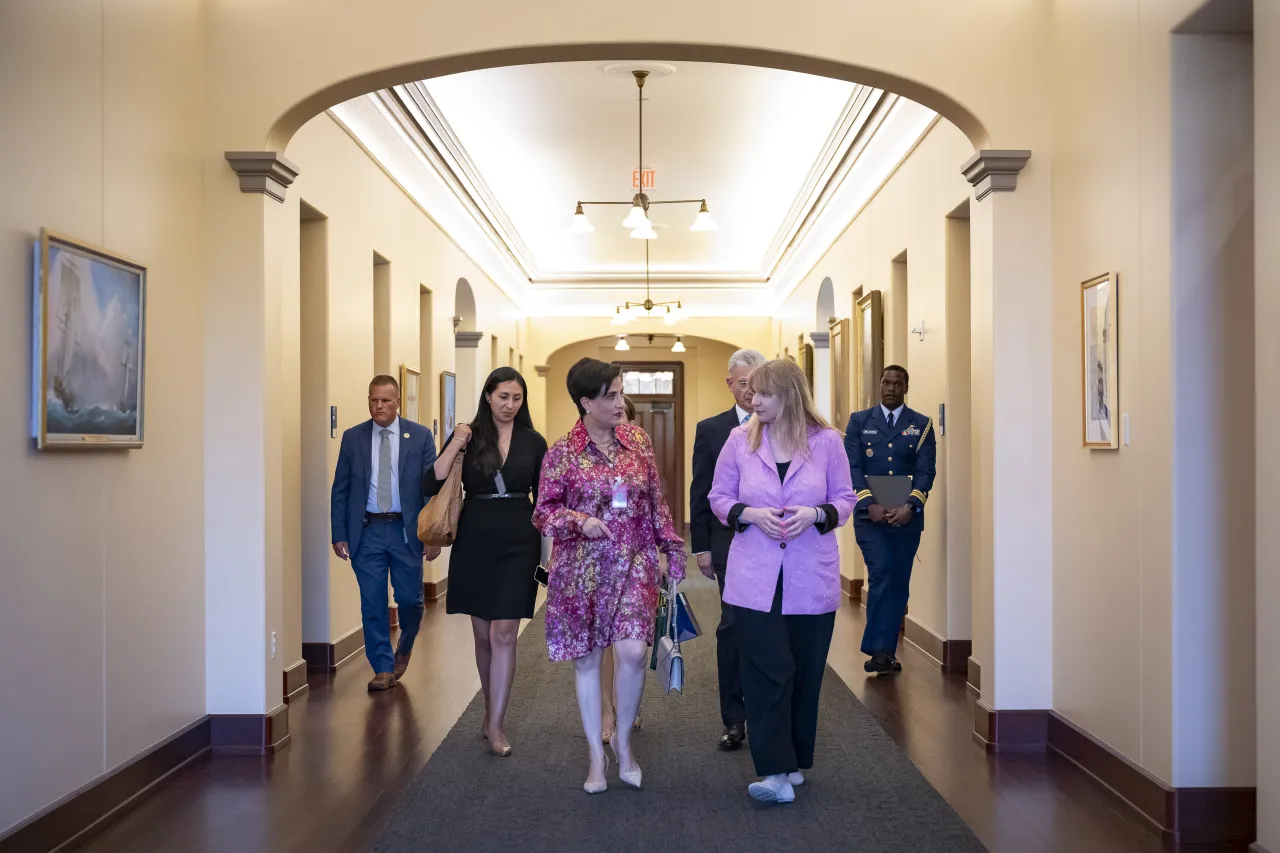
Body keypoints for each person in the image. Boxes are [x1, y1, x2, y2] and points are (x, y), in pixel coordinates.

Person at [533, 359, 685, 795]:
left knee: (635, 652)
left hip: (635, 559)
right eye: (611, 396)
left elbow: (656, 498)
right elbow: (543, 513)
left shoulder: (637, 440)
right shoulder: (562, 453)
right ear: (586, 402)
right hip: (582, 569)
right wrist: (579, 520)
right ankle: (596, 756)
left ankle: (623, 741)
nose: (621, 402)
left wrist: (670, 548)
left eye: (621, 392)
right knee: (587, 660)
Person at [709, 358, 855, 804]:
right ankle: (772, 771)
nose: (754, 400)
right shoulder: (739, 440)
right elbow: (719, 497)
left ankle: (792, 762)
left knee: (805, 672)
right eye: (751, 392)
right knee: (766, 670)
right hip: (754, 579)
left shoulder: (828, 443)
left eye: (764, 393)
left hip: (810, 578)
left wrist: (816, 515)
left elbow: (845, 500)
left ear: (789, 395)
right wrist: (748, 515)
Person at [425, 367, 547, 756]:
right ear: (488, 397)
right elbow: (432, 480)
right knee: (482, 636)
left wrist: (551, 556)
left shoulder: (534, 441)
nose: (510, 405)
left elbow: (544, 502)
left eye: (517, 398)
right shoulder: (469, 435)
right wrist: (456, 441)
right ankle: (488, 710)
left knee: (503, 634)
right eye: (503, 397)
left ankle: (496, 724)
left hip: (518, 541)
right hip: (475, 538)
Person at [331, 375, 438, 691]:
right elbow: (341, 489)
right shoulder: (353, 438)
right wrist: (339, 532)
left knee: (409, 599)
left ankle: (404, 645)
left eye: (385, 400)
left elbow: (431, 490)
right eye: (373, 400)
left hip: (407, 531)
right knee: (372, 602)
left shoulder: (419, 437)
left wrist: (431, 536)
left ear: (398, 402)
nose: (378, 406)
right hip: (368, 532)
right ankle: (383, 667)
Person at [690, 347, 765, 751]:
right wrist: (700, 547)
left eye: (756, 384)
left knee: (769, 631)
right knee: (733, 628)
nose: (750, 393)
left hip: (776, 546)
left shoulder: (783, 426)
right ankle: (734, 719)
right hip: (728, 545)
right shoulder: (712, 429)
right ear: (729, 384)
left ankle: (768, 715)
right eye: (742, 385)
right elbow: (700, 490)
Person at [844, 364, 937, 674]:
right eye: (886, 382)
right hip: (870, 517)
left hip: (906, 516)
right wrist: (867, 502)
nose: (892, 388)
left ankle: (886, 650)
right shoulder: (859, 422)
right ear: (879, 385)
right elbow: (852, 467)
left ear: (906, 388)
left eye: (898, 383)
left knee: (898, 580)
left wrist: (911, 505)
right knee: (882, 571)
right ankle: (878, 649)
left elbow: (926, 471)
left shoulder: (921, 425)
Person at [599, 394, 645, 742]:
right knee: (601, 642)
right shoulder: (585, 456)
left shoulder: (641, 456)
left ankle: (627, 706)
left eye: (625, 419)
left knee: (631, 645)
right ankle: (606, 713)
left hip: (635, 558)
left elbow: (655, 506)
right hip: (596, 557)